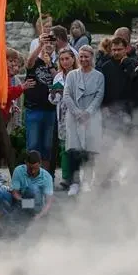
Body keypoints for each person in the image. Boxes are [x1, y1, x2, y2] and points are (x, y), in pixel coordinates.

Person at [62, 46, 104, 195]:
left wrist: (88, 113)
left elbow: (99, 96)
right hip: (74, 117)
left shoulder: (99, 76)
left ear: (91, 57)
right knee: (74, 150)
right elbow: (66, 95)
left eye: (86, 56)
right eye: (81, 56)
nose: (83, 59)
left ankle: (87, 180)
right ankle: (74, 182)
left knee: (90, 150)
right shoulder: (72, 75)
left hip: (91, 117)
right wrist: (78, 113)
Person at [23, 41, 58, 173]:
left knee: (47, 147)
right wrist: (40, 46)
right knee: (33, 145)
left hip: (50, 110)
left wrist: (50, 65)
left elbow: (58, 79)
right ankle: (31, 176)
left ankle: (46, 178)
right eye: (46, 43)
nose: (49, 45)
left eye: (52, 43)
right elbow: (29, 62)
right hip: (34, 109)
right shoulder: (35, 62)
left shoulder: (56, 63)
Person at [0, 150, 54, 222]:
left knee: (33, 189)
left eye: (35, 168)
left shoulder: (47, 177)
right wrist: (22, 201)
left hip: (35, 204)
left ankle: (20, 218)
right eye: (30, 168)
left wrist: (40, 215)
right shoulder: (18, 170)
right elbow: (14, 192)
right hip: (20, 201)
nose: (33, 171)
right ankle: (10, 220)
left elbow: (48, 202)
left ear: (40, 164)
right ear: (26, 163)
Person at [48, 48, 76, 189]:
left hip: (76, 114)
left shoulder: (78, 74)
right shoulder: (58, 76)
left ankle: (75, 176)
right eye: (62, 59)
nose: (65, 62)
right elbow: (53, 100)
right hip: (62, 116)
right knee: (64, 147)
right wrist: (54, 93)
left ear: (73, 59)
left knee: (76, 147)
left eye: (67, 58)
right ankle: (66, 177)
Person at [98, 36, 134, 132]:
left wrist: (128, 66)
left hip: (129, 110)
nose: (116, 52)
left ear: (126, 49)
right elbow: (102, 90)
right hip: (110, 111)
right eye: (114, 50)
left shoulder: (134, 64)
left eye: (119, 49)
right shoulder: (105, 67)